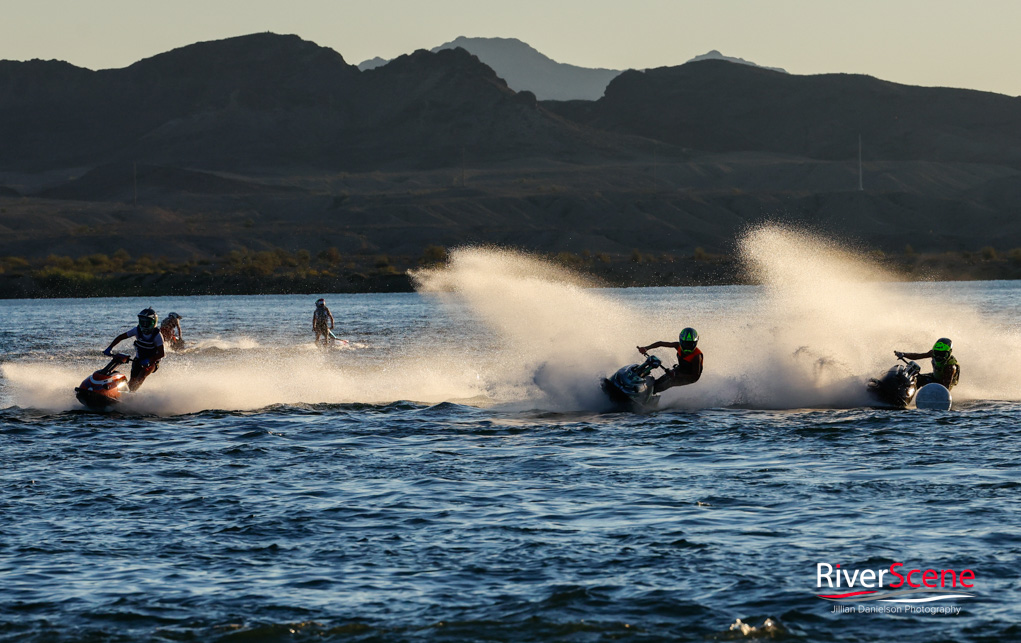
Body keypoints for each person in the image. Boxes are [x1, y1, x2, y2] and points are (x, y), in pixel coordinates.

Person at [104, 307, 166, 392]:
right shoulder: (137, 330)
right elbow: (121, 337)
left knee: (142, 374)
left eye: (146, 323)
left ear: (153, 322)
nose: (144, 325)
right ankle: (123, 393)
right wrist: (109, 348)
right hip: (138, 359)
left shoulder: (157, 335)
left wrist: (149, 360)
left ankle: (131, 393)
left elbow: (161, 354)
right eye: (142, 322)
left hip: (152, 362)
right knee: (132, 380)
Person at [637, 327, 703, 393]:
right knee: (659, 381)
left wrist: (676, 375)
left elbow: (695, 377)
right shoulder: (677, 345)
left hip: (689, 377)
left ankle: (649, 394)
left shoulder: (697, 357)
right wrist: (646, 348)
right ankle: (644, 389)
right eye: (685, 344)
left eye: (690, 344)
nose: (687, 347)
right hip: (679, 370)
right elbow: (660, 343)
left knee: (670, 382)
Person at [895, 337, 960, 390]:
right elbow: (918, 356)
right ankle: (903, 393)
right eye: (937, 353)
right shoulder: (932, 353)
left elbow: (945, 388)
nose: (938, 357)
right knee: (916, 379)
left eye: (942, 354)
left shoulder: (950, 367)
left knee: (927, 384)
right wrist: (904, 354)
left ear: (949, 353)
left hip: (944, 383)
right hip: (935, 376)